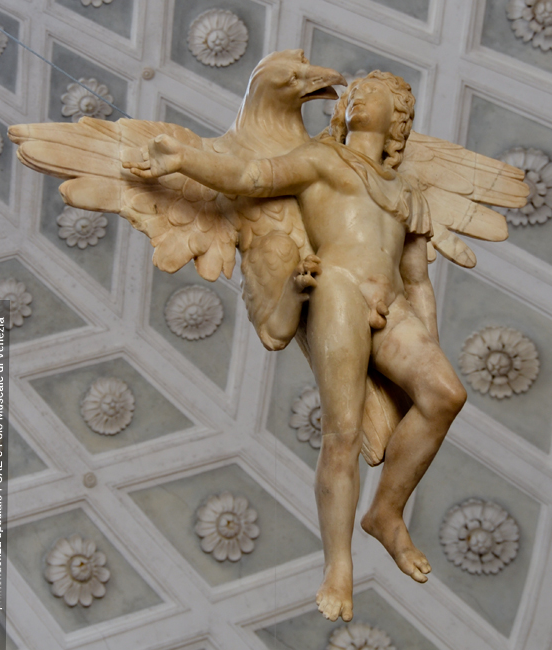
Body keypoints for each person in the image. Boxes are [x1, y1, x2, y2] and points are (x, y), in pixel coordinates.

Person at [126, 71, 467, 623]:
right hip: (339, 288)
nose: (358, 95)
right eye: (354, 92)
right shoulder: (322, 159)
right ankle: (339, 565)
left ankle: (385, 512)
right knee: (342, 433)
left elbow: (418, 279)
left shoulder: (407, 191)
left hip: (394, 306)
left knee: (447, 394)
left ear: (399, 115)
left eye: (373, 92)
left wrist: (429, 340)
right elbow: (250, 176)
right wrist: (184, 160)